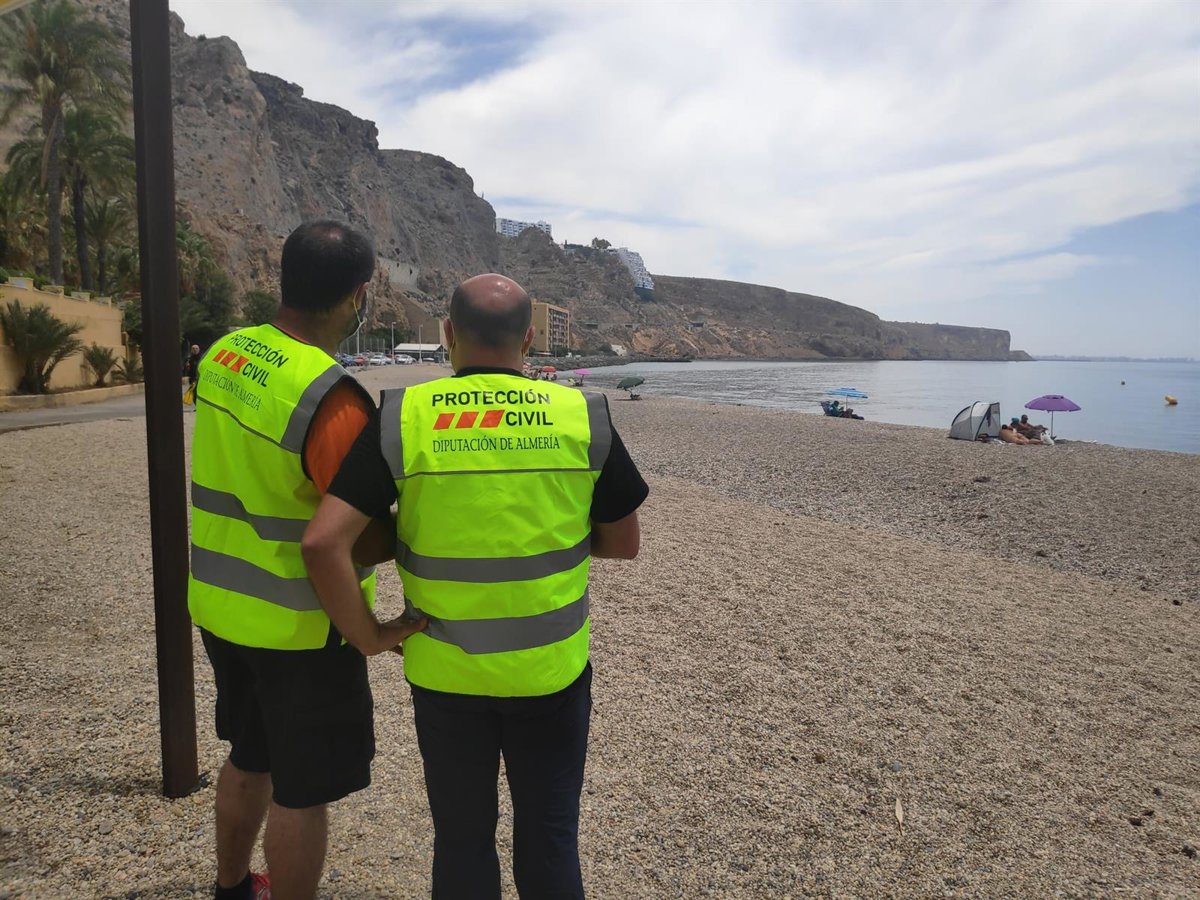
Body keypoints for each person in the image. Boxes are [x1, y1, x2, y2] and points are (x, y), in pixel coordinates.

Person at [302, 273, 649, 899]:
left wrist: (370, 637)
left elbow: (324, 543)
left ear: (448, 333)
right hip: (549, 673)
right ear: (529, 339)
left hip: (446, 675)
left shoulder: (403, 417)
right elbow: (624, 543)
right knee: (550, 838)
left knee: (461, 841)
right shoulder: (581, 415)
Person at [188, 219, 423, 900]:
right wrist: (373, 626)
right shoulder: (329, 398)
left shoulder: (226, 354)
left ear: (283, 279)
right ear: (359, 296)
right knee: (302, 792)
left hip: (222, 608)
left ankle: (233, 887)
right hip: (300, 631)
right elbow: (352, 538)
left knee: (249, 756)